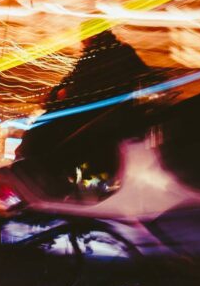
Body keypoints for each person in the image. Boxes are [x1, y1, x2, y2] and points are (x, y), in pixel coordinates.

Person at [17, 29, 158, 193]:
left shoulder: (98, 56)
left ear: (93, 36)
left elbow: (77, 84)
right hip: (98, 114)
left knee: (43, 138)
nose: (82, 41)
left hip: (98, 116)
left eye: (85, 37)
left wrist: (59, 96)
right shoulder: (112, 53)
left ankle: (46, 183)